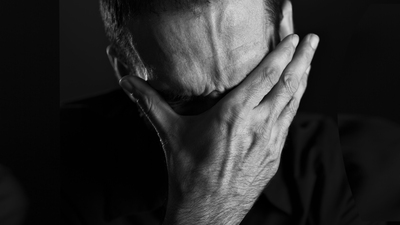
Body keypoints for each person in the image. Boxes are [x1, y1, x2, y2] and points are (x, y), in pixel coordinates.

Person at [61, 0, 399, 224]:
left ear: (284, 29)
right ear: (125, 71)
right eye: (186, 101)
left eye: (250, 85)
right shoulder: (51, 164)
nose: (227, 130)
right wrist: (205, 213)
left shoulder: (370, 166)